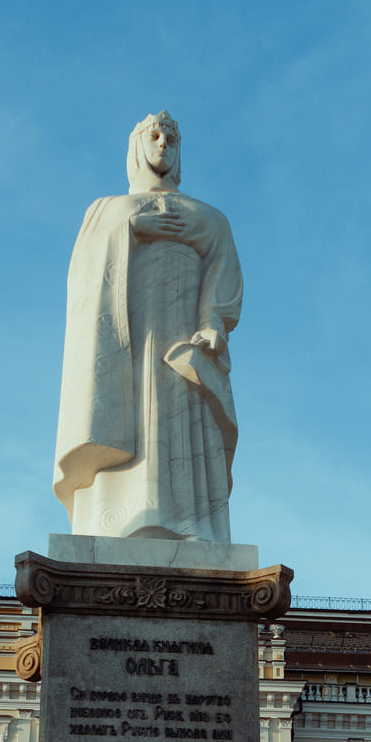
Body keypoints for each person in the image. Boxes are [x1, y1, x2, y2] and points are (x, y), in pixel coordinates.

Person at [53, 111, 244, 541]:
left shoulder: (209, 218)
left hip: (182, 338)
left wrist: (212, 320)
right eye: (154, 136)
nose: (162, 144)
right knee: (132, 414)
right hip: (127, 339)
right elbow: (82, 275)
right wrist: (131, 228)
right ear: (137, 147)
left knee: (181, 416)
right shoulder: (108, 210)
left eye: (171, 139)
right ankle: (119, 519)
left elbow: (223, 268)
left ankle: (192, 523)